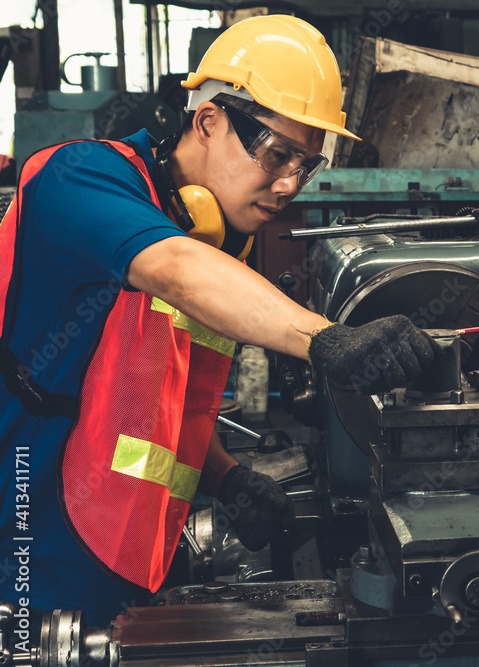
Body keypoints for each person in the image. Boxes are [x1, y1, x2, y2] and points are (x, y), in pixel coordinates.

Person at [0, 15, 438, 628]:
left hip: (128, 550)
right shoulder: (78, 178)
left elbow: (155, 402)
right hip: (28, 540)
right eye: (278, 152)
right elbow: (174, 268)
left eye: (305, 165)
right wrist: (323, 337)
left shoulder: (221, 238)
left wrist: (229, 480)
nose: (289, 184)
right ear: (208, 120)